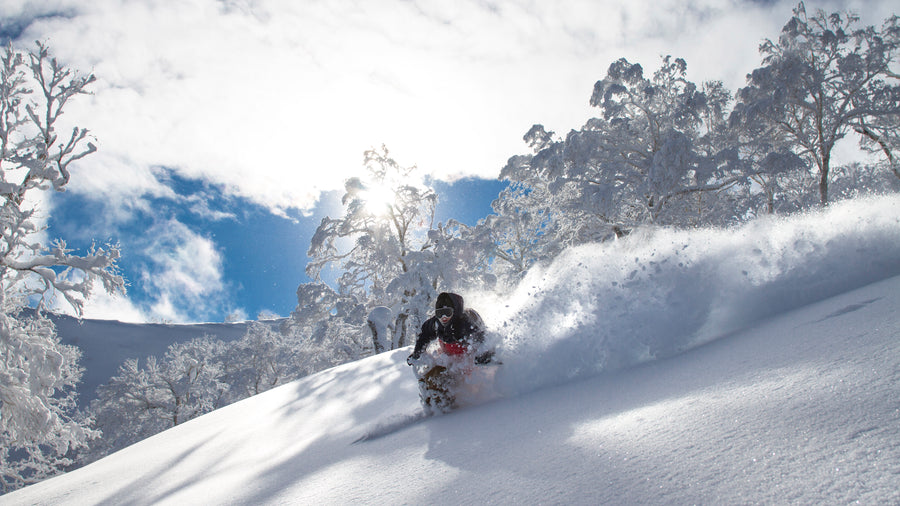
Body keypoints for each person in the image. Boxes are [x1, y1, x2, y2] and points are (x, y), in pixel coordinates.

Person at [407, 292, 493, 413]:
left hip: (469, 362)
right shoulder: (436, 324)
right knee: (431, 377)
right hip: (450, 359)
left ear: (455, 311)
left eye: (447, 313)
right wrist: (417, 353)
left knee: (450, 380)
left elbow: (482, 338)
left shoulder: (466, 323)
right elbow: (424, 336)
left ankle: (449, 411)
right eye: (439, 313)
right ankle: (433, 407)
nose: (443, 317)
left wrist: (484, 354)